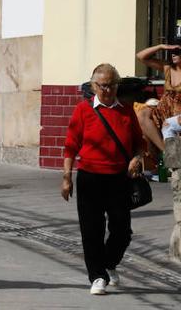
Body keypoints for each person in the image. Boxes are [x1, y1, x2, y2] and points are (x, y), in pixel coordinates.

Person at [61, 63, 145, 296]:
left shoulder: (126, 111)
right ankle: (97, 276)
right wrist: (67, 177)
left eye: (112, 85)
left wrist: (136, 158)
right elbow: (70, 146)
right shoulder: (83, 110)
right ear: (93, 86)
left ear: (117, 85)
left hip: (119, 178)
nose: (107, 90)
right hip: (89, 178)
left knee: (122, 230)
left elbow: (139, 142)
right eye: (102, 85)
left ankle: (108, 263)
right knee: (92, 231)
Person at [134, 34, 181, 169]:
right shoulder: (167, 68)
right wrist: (161, 46)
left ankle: (172, 158)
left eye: (177, 52)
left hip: (178, 112)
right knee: (142, 114)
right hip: (164, 109)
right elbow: (140, 56)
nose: (173, 54)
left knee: (171, 124)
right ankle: (167, 152)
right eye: (171, 52)